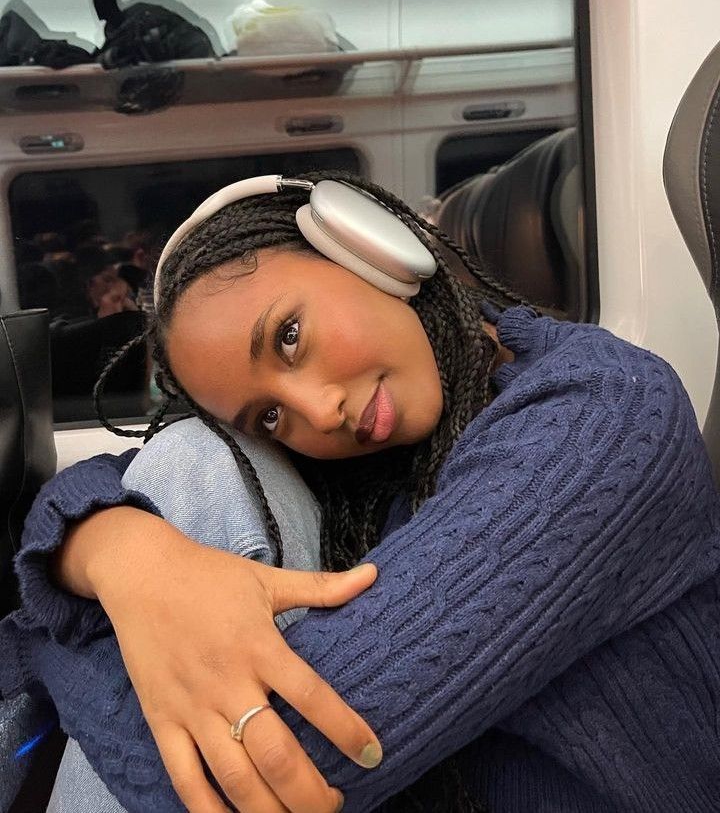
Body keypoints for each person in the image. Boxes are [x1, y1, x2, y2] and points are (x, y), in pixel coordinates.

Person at [2, 171, 720, 813]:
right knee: (191, 454)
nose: (317, 414)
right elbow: (97, 480)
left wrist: (43, 642)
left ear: (373, 250)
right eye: (270, 417)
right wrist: (124, 555)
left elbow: (230, 785)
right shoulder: (383, 449)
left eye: (288, 336)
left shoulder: (602, 419)